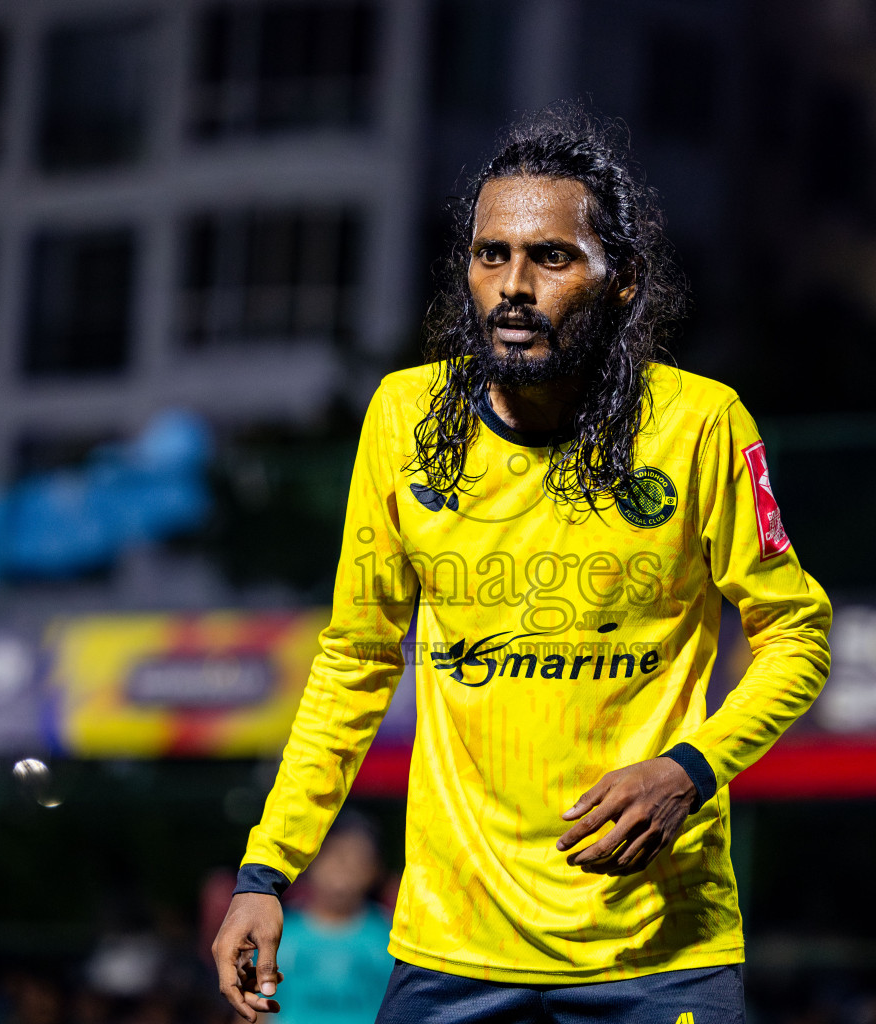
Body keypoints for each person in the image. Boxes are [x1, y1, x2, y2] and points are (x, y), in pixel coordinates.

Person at [213, 104, 833, 1023]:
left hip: (658, 952)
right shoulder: (405, 421)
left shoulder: (701, 425)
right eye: (490, 254)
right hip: (452, 949)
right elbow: (354, 660)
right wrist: (267, 870)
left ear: (617, 281)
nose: (513, 285)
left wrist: (690, 770)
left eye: (551, 258)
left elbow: (798, 636)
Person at [270, 814, 394, 1024]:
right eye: (335, 855)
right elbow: (255, 1009)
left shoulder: (391, 936)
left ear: (374, 869)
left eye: (358, 859)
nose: (344, 868)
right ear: (310, 861)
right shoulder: (277, 932)